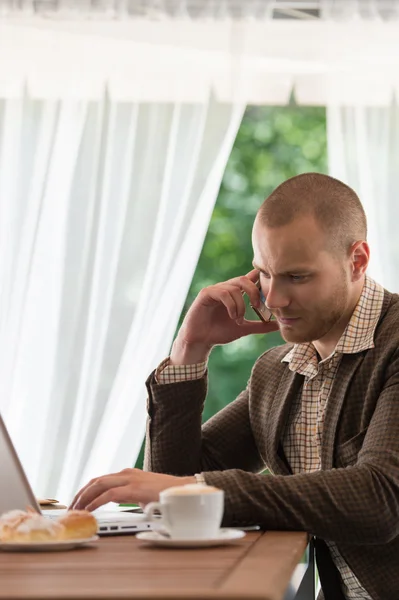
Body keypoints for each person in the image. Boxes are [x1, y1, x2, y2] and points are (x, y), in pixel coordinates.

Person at [71, 173, 399, 600]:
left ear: (357, 260)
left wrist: (196, 488)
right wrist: (190, 349)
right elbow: (172, 481)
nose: (274, 298)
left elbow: (379, 500)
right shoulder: (276, 372)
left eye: (296, 277)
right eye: (263, 273)